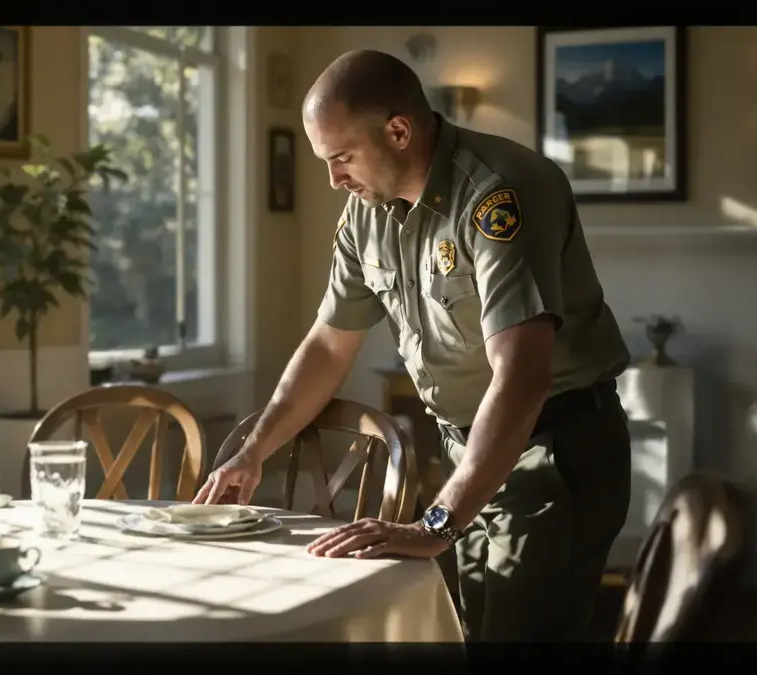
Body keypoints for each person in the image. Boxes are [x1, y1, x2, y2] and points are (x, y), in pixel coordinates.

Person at [193, 49, 633, 642]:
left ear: (399, 130)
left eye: (342, 157)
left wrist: (436, 522)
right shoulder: (363, 215)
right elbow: (328, 345)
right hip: (473, 455)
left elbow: (521, 375)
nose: (334, 178)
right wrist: (254, 449)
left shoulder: (500, 194)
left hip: (554, 454)